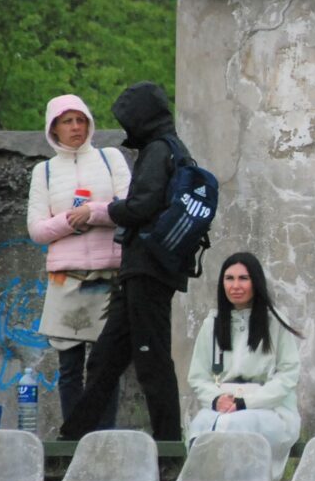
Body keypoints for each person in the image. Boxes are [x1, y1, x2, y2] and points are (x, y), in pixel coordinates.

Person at [59, 82, 195, 441]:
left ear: (142, 118)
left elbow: (141, 206)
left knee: (152, 359)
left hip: (148, 268)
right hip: (143, 268)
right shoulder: (170, 149)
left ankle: (168, 446)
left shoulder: (158, 150)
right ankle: (73, 437)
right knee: (105, 358)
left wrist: (108, 210)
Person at [27, 94, 131, 426]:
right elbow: (37, 229)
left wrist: (94, 212)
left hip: (108, 274)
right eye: (67, 121)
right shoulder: (44, 171)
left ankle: (104, 436)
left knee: (106, 365)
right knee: (69, 367)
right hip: (65, 277)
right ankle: (73, 437)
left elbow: (129, 207)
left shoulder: (109, 158)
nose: (75, 127)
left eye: (80, 120)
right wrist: (70, 221)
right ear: (53, 128)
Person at [186, 252, 302, 481]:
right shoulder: (212, 324)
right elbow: (198, 376)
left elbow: (287, 375)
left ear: (255, 282)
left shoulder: (275, 321)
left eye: (243, 278)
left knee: (238, 424)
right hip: (223, 405)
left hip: (269, 409)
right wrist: (216, 400)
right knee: (201, 424)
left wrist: (246, 402)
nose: (235, 286)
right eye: (229, 279)